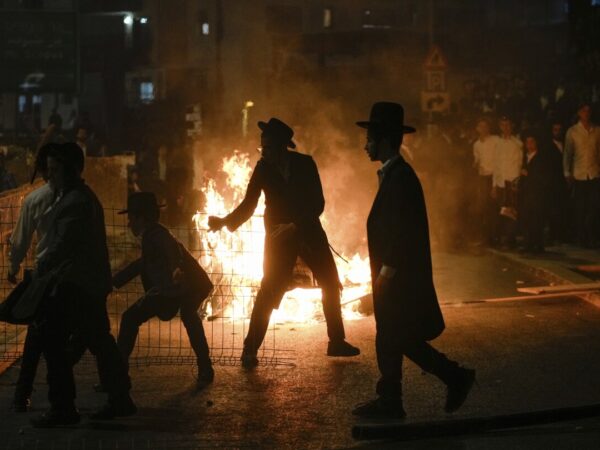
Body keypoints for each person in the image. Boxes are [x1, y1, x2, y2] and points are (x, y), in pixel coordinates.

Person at [353, 102, 475, 419]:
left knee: (394, 334)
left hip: (399, 277)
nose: (365, 145)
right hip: (395, 275)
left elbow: (403, 232)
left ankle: (400, 397)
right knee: (397, 335)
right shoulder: (393, 174)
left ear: (384, 140)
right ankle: (442, 381)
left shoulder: (401, 177)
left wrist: (385, 274)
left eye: (370, 138)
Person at [208, 117, 359, 368]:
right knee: (269, 290)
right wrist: (225, 221)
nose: (263, 153)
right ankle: (249, 348)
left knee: (331, 283)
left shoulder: (305, 164)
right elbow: (249, 204)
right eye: (261, 148)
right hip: (279, 238)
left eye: (267, 148)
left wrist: (296, 225)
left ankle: (336, 341)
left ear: (282, 147)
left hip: (308, 232)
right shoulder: (262, 169)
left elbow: (317, 203)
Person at [31, 143, 135, 427]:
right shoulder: (77, 197)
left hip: (76, 285)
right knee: (99, 341)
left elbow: (64, 245)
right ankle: (119, 398)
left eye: (54, 170)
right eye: (48, 170)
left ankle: (64, 408)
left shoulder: (76, 202)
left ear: (71, 170)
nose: (49, 176)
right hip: (84, 283)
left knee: (55, 342)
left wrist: (40, 267)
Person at [113, 192, 215, 388]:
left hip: (190, 285)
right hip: (176, 287)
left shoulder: (157, 234)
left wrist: (176, 268)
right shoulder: (151, 234)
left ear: (141, 218)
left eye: (131, 218)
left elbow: (171, 251)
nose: (128, 223)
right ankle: (117, 376)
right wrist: (114, 281)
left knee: (187, 315)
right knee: (132, 317)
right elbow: (142, 264)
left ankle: (205, 368)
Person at [7, 143, 59, 412]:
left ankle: (24, 395)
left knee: (39, 337)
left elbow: (20, 240)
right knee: (87, 334)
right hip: (68, 277)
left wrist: (12, 267)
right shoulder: (80, 197)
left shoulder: (37, 199)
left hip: (47, 276)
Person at [563, 102, 600, 248]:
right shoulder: (572, 132)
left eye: (588, 111)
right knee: (580, 208)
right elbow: (568, 153)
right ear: (579, 113)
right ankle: (581, 237)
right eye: (584, 111)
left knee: (593, 207)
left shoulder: (597, 130)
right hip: (579, 174)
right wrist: (567, 172)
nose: (586, 114)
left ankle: (591, 236)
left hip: (594, 173)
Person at [518, 132, 554, 253]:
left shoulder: (541, 158)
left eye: (532, 142)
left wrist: (529, 175)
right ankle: (528, 243)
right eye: (527, 142)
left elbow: (545, 177)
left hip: (538, 193)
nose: (529, 144)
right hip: (526, 193)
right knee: (527, 218)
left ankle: (538, 245)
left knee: (537, 219)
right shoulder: (525, 157)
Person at [492, 116, 523, 248]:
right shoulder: (497, 143)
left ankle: (511, 239)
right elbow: (496, 165)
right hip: (500, 182)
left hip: (512, 181)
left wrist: (516, 183)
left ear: (512, 126)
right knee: (501, 211)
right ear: (500, 126)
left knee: (512, 212)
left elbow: (520, 164)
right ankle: (501, 238)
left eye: (508, 125)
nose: (506, 128)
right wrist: (493, 185)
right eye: (503, 125)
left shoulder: (517, 143)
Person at [472, 117, 499, 245]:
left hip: (494, 177)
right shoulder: (476, 144)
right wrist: (475, 164)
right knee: (482, 208)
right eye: (480, 126)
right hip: (482, 178)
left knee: (493, 208)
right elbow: (477, 160)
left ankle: (494, 236)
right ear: (477, 129)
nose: (483, 129)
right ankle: (484, 237)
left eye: (485, 126)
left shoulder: (495, 140)